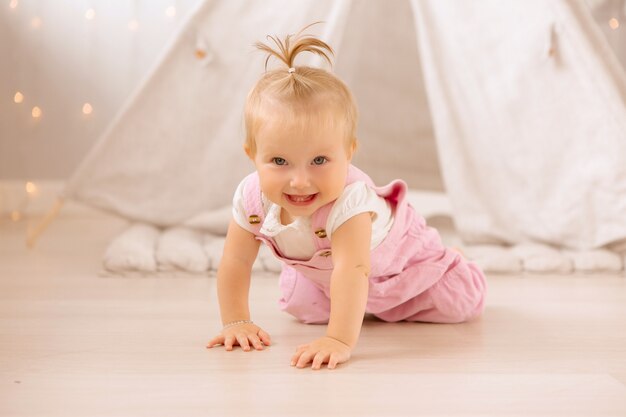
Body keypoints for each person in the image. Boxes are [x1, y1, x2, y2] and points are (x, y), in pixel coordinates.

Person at [206, 23, 487, 370]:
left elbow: (353, 269)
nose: (299, 181)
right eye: (279, 161)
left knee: (460, 304)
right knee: (297, 306)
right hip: (329, 272)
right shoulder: (251, 199)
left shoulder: (350, 203)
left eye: (320, 161)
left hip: (394, 267)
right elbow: (235, 261)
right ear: (252, 155)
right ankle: (351, 304)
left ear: (349, 152)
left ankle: (450, 262)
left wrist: (338, 339)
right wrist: (236, 321)